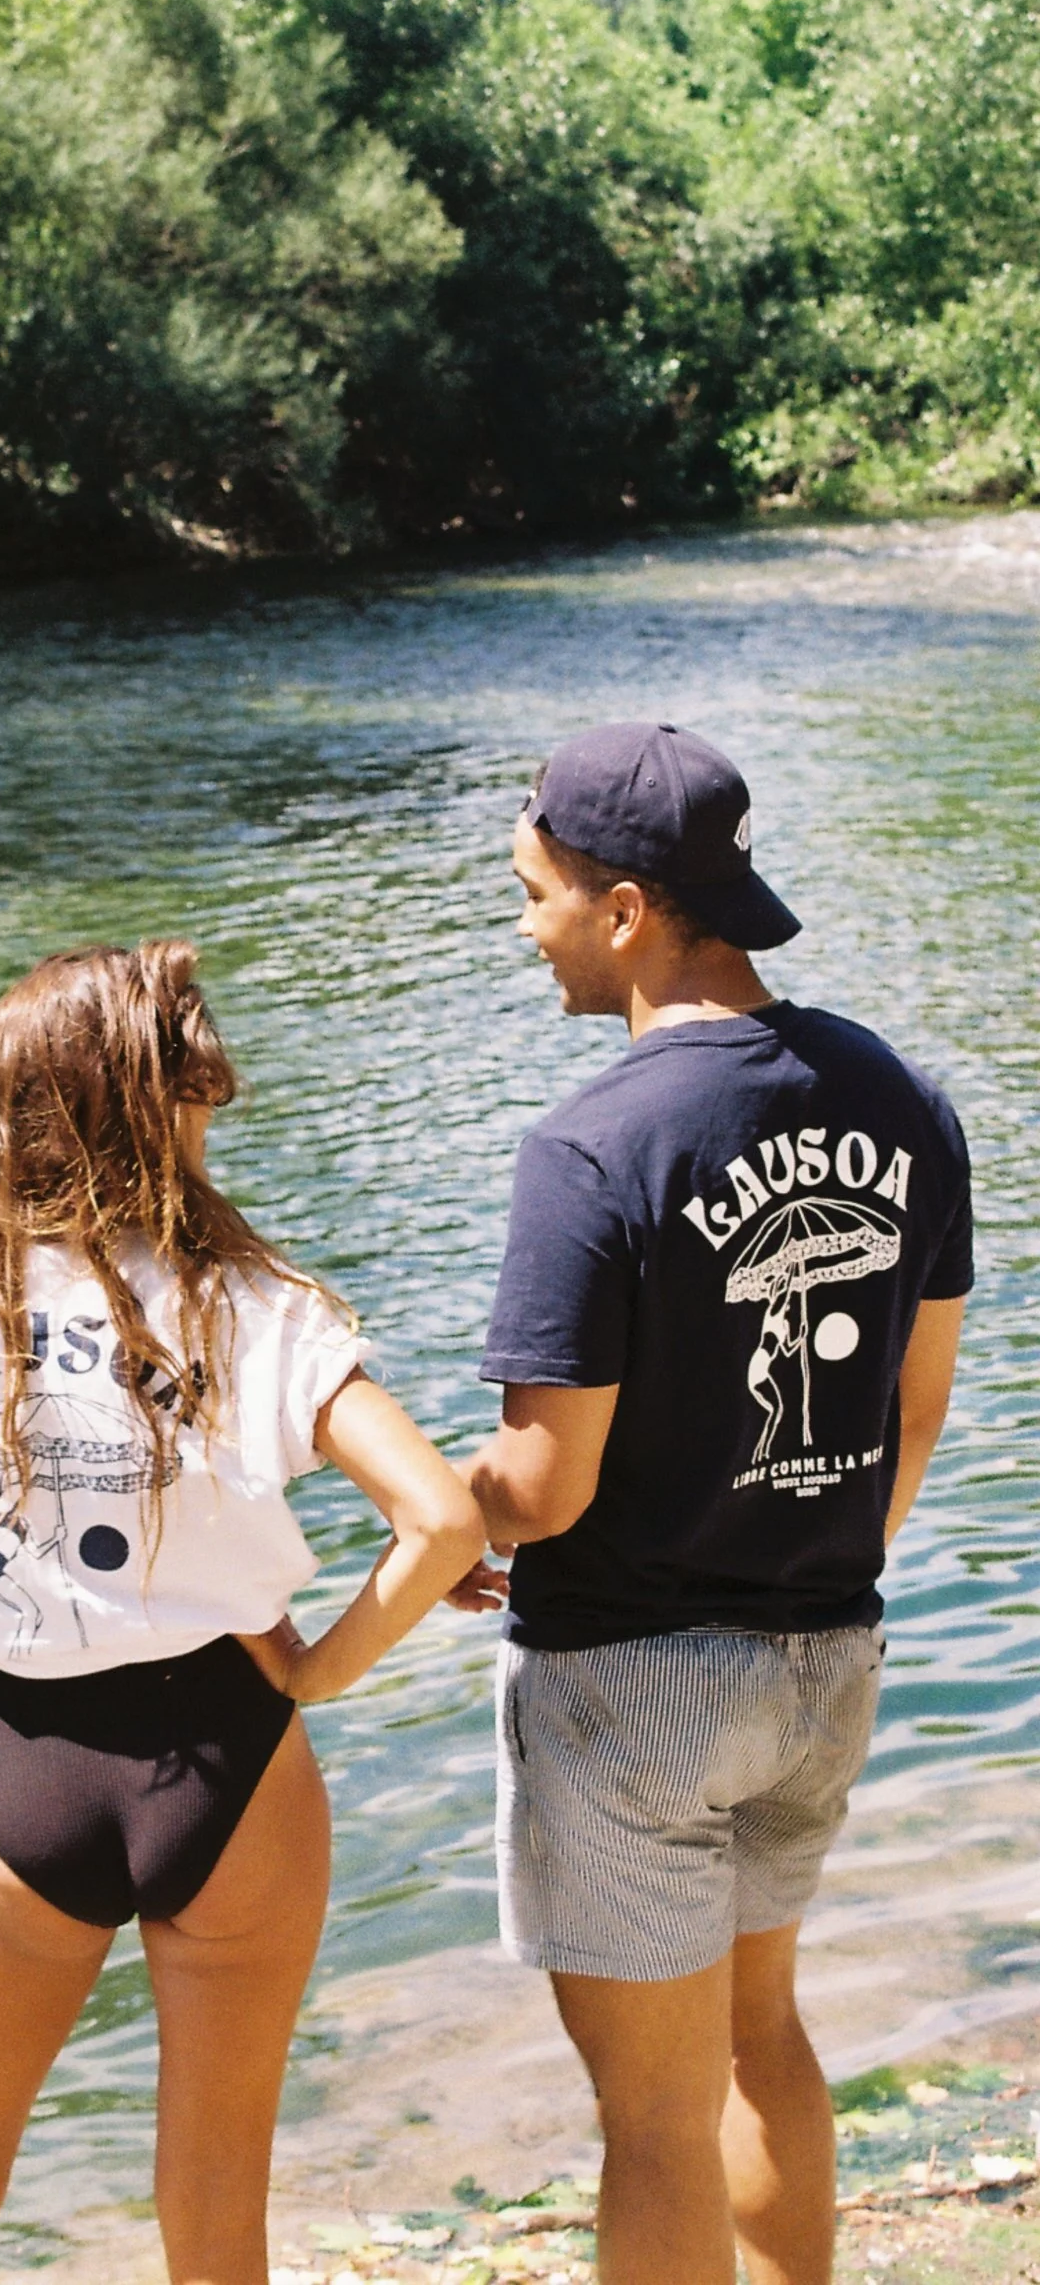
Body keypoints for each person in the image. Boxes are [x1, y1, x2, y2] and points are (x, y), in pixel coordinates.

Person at [0, 939, 491, 2285]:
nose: (208, 1126)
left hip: (15, 1758)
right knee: (217, 2221)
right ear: (146, 1107)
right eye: (194, 1099)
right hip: (230, 1755)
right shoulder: (245, 1297)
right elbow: (443, 1521)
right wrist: (321, 1674)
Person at [451, 723, 972, 2285]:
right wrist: (809, 1561)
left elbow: (542, 1488)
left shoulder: (592, 1146)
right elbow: (914, 1410)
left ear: (625, 913)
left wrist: (436, 1512)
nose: (522, 924)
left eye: (534, 892)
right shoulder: (904, 1100)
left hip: (631, 1686)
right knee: (764, 2041)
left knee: (655, 2120)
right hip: (827, 1658)